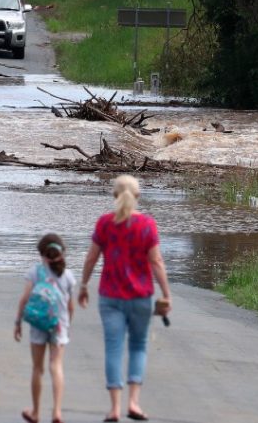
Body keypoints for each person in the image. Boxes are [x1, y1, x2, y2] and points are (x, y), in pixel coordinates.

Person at [78, 175, 171, 423]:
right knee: (139, 346)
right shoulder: (147, 225)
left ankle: (114, 408)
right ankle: (134, 403)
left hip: (110, 296)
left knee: (113, 348)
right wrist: (166, 293)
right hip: (141, 296)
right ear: (138, 196)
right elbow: (156, 262)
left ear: (114, 196)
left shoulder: (105, 224)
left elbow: (91, 258)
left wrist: (84, 285)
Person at [15, 234, 76, 423]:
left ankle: (35, 412)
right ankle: (57, 412)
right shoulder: (67, 276)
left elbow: (24, 299)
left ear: (42, 255)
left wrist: (18, 322)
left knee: (37, 368)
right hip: (58, 326)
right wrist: (67, 325)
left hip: (38, 325)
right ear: (61, 254)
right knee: (56, 366)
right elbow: (70, 306)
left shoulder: (35, 272)